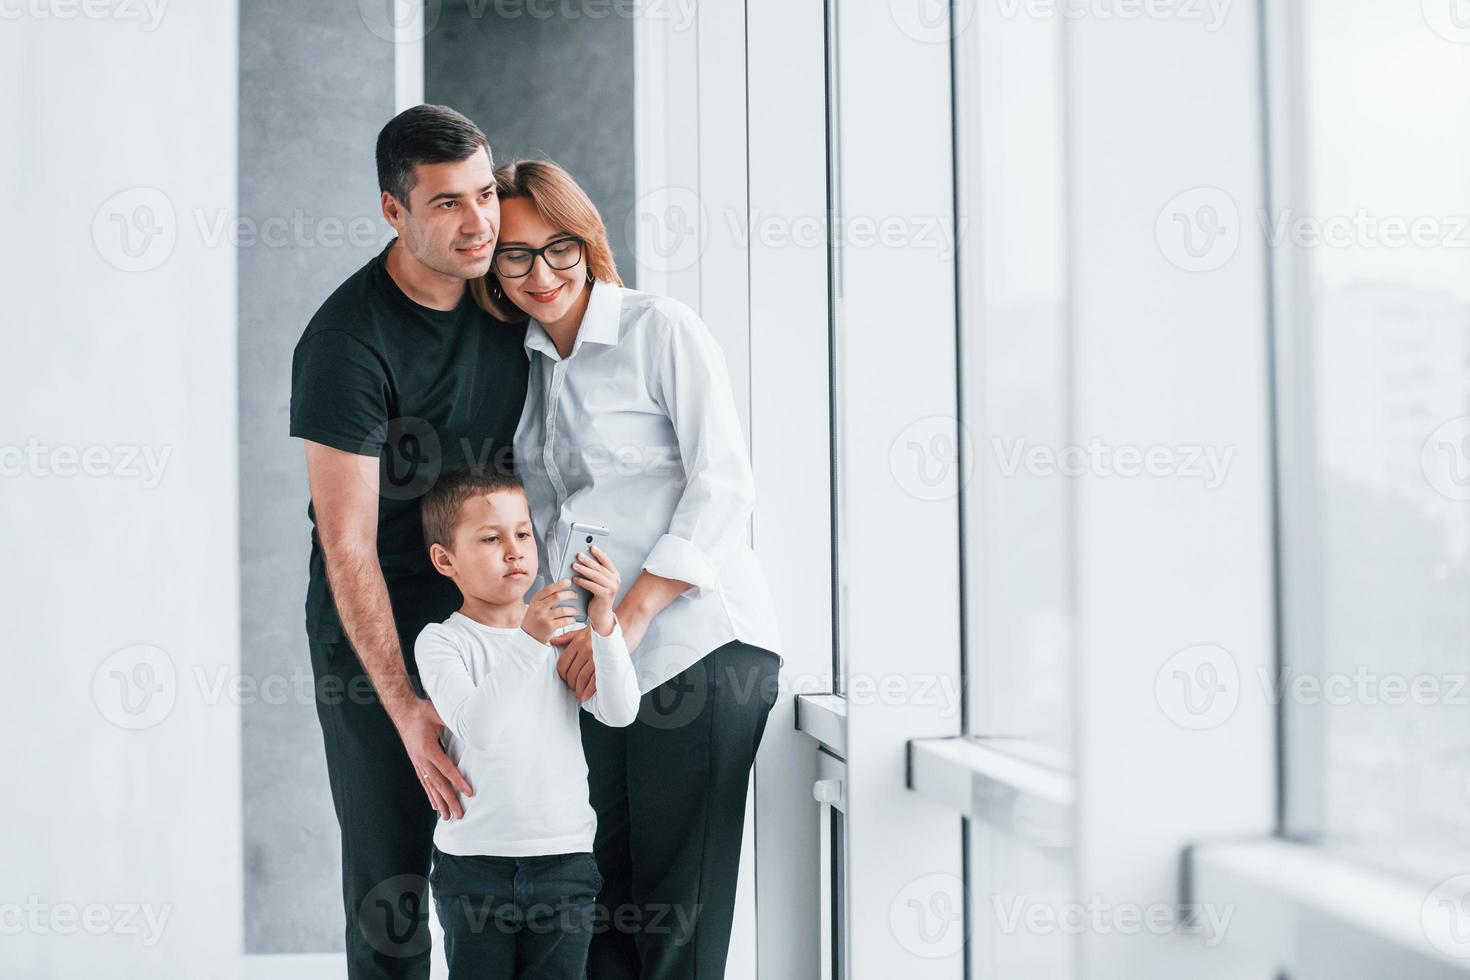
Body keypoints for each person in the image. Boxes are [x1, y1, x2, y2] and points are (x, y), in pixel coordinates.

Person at [474, 158, 784, 979]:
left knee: (677, 913)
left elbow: (724, 487)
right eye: (515, 254)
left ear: (590, 242)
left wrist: (632, 618)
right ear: (493, 269)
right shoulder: (534, 366)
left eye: (560, 248)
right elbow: (553, 527)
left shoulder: (660, 327)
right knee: (599, 898)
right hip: (600, 662)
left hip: (698, 649)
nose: (541, 274)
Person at [289, 104, 526, 979]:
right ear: (393, 211)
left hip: (494, 608)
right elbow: (346, 545)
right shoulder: (347, 343)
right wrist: (404, 705)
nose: (479, 224)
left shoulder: (507, 293)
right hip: (376, 624)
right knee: (392, 883)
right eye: (446, 205)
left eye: (485, 195)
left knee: (509, 860)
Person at [414, 467, 640, 979]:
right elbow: (479, 727)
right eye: (491, 538)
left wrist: (603, 623)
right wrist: (531, 638)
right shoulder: (441, 641)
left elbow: (620, 711)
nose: (514, 550)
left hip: (563, 860)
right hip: (473, 866)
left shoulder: (563, 630)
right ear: (445, 559)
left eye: (522, 533)